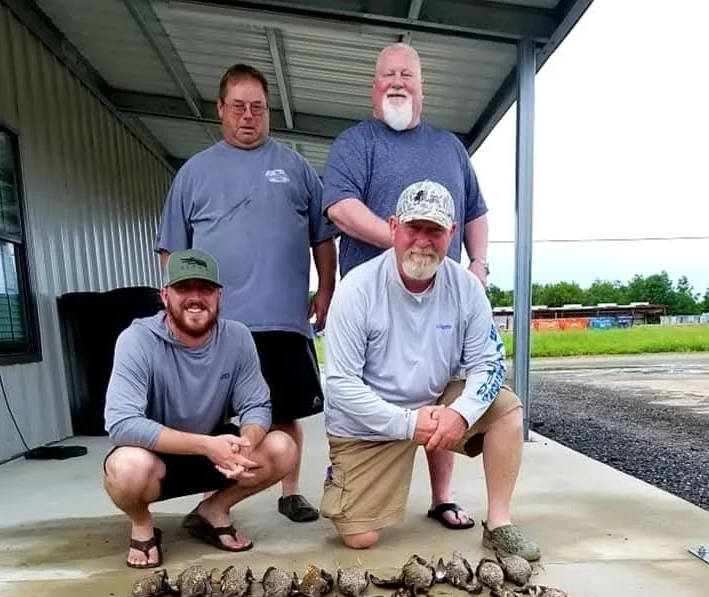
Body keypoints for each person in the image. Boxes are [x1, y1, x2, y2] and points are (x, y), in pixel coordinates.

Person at [320, 180, 540, 562]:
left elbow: (488, 362)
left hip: (436, 402)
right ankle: (345, 475)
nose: (422, 241)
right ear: (393, 227)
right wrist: (409, 424)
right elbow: (340, 385)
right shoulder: (356, 289)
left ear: (451, 233)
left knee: (507, 410)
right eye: (413, 227)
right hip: (373, 420)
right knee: (360, 538)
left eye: (434, 230)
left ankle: (499, 524)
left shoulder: (468, 288)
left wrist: (461, 414)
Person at [155, 63, 337, 524]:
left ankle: (290, 492)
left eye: (258, 107)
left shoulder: (296, 168)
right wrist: (180, 311)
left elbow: (322, 238)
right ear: (220, 108)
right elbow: (172, 250)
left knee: (284, 412)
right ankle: (216, 496)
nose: (249, 116)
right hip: (215, 326)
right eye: (238, 106)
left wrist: (325, 290)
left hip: (283, 319)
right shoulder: (193, 173)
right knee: (215, 417)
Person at [322, 42, 489, 533]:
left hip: (441, 301)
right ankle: (354, 477)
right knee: (360, 536)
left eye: (407, 75)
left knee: (441, 387)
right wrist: (407, 246)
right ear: (374, 86)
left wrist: (477, 263)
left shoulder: (450, 147)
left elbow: (475, 211)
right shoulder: (356, 142)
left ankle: (442, 497)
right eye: (388, 74)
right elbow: (339, 208)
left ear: (422, 88)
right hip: (377, 303)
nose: (397, 81)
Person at [103, 249, 297, 568]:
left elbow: (257, 404)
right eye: (184, 288)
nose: (195, 298)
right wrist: (206, 446)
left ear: (219, 297)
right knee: (125, 468)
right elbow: (121, 423)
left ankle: (213, 510)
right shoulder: (136, 339)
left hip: (216, 450)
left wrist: (246, 442)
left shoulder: (237, 337)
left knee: (282, 448)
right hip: (155, 455)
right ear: (165, 295)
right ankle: (141, 523)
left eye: (205, 289)